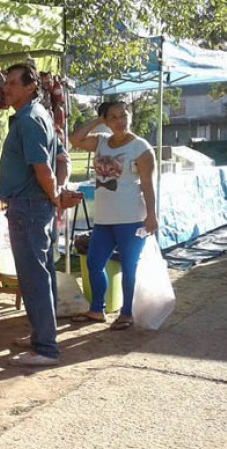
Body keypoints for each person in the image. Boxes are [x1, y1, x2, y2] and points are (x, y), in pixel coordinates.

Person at [0, 63, 70, 367]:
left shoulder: (29, 119)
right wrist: (56, 196)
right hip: (35, 206)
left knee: (34, 278)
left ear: (30, 87)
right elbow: (62, 159)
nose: (7, 88)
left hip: (29, 206)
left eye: (13, 83)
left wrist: (55, 195)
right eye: (6, 83)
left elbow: (43, 168)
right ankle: (43, 334)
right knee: (43, 274)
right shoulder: (40, 115)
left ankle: (45, 347)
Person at [68, 101, 158, 330]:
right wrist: (98, 121)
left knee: (129, 266)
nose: (120, 121)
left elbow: (148, 185)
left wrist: (151, 216)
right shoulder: (101, 142)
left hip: (131, 218)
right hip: (104, 219)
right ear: (107, 121)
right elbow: (75, 139)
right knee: (94, 263)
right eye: (113, 117)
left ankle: (126, 313)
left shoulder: (141, 148)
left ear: (130, 116)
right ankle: (97, 310)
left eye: (123, 116)